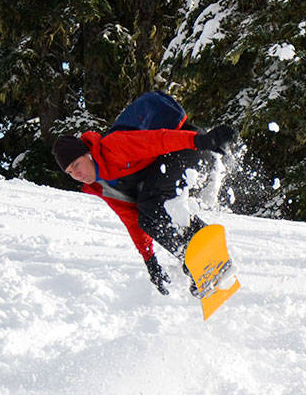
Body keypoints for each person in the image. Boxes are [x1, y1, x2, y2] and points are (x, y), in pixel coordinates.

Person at [52, 121, 236, 295]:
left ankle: (201, 254)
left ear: (87, 155)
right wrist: (150, 261)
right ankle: (201, 261)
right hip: (172, 164)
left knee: (149, 203)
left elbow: (158, 140)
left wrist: (200, 141)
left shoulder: (112, 146)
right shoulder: (101, 186)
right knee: (145, 219)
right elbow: (130, 219)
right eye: (69, 172)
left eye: (76, 165)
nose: (76, 174)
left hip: (187, 146)